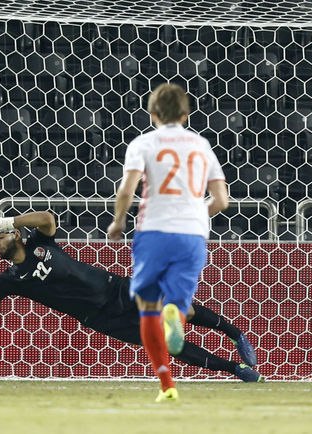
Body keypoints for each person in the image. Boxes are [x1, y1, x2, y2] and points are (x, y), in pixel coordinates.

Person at [0, 207, 261, 385]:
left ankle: (235, 334)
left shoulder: (39, 241)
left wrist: (10, 221)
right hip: (100, 318)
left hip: (115, 287)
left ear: (15, 236)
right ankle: (235, 369)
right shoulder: (12, 279)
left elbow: (47, 217)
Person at [107, 83, 230, 402]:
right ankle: (175, 309)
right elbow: (221, 200)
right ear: (185, 115)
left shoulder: (143, 143)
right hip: (192, 234)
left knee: (148, 307)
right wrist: (196, 214)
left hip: (154, 231)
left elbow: (127, 190)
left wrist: (118, 221)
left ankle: (167, 385)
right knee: (176, 302)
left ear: (153, 114)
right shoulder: (201, 145)